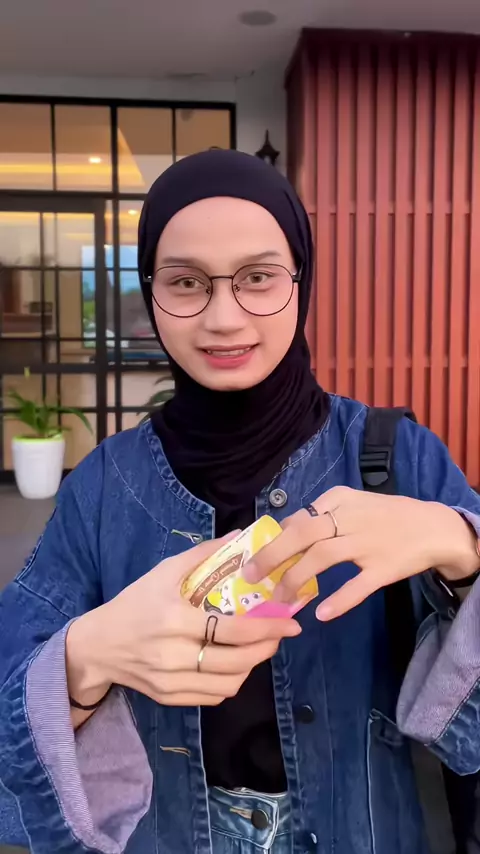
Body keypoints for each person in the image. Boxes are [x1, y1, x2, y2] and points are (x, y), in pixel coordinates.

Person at [0, 149, 479, 854]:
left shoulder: (396, 456)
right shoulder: (104, 485)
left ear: (300, 281)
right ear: (151, 291)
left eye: (258, 277)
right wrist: (83, 661)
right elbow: (12, 691)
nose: (224, 318)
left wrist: (464, 551)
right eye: (185, 282)